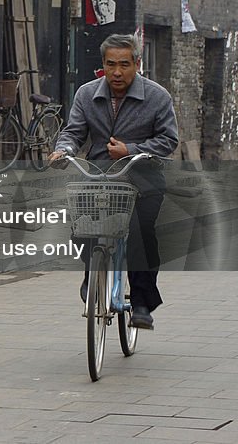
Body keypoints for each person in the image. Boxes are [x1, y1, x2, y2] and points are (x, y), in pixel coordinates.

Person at [49, 33, 179, 330]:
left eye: (124, 64)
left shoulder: (158, 96)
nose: (117, 72)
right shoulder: (86, 94)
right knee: (83, 226)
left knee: (139, 233)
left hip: (143, 176)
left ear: (137, 63)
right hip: (99, 176)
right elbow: (73, 132)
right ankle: (92, 273)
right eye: (110, 65)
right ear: (103, 65)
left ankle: (143, 302)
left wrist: (131, 150)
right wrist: (63, 150)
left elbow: (168, 139)